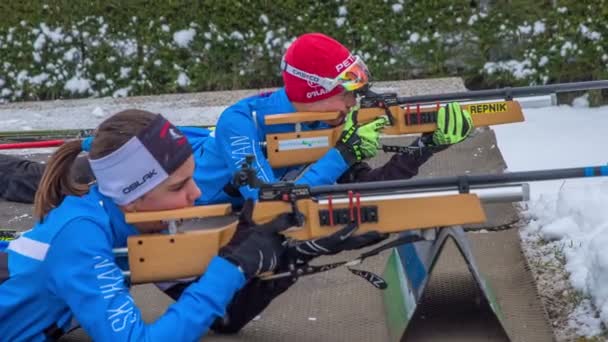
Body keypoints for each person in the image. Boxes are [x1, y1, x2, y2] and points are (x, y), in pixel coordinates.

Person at [0, 109, 296, 341]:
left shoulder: (133, 221)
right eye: (178, 186)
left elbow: (226, 315)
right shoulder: (82, 236)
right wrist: (230, 267)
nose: (196, 194)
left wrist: (293, 252)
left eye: (192, 178)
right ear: (130, 197)